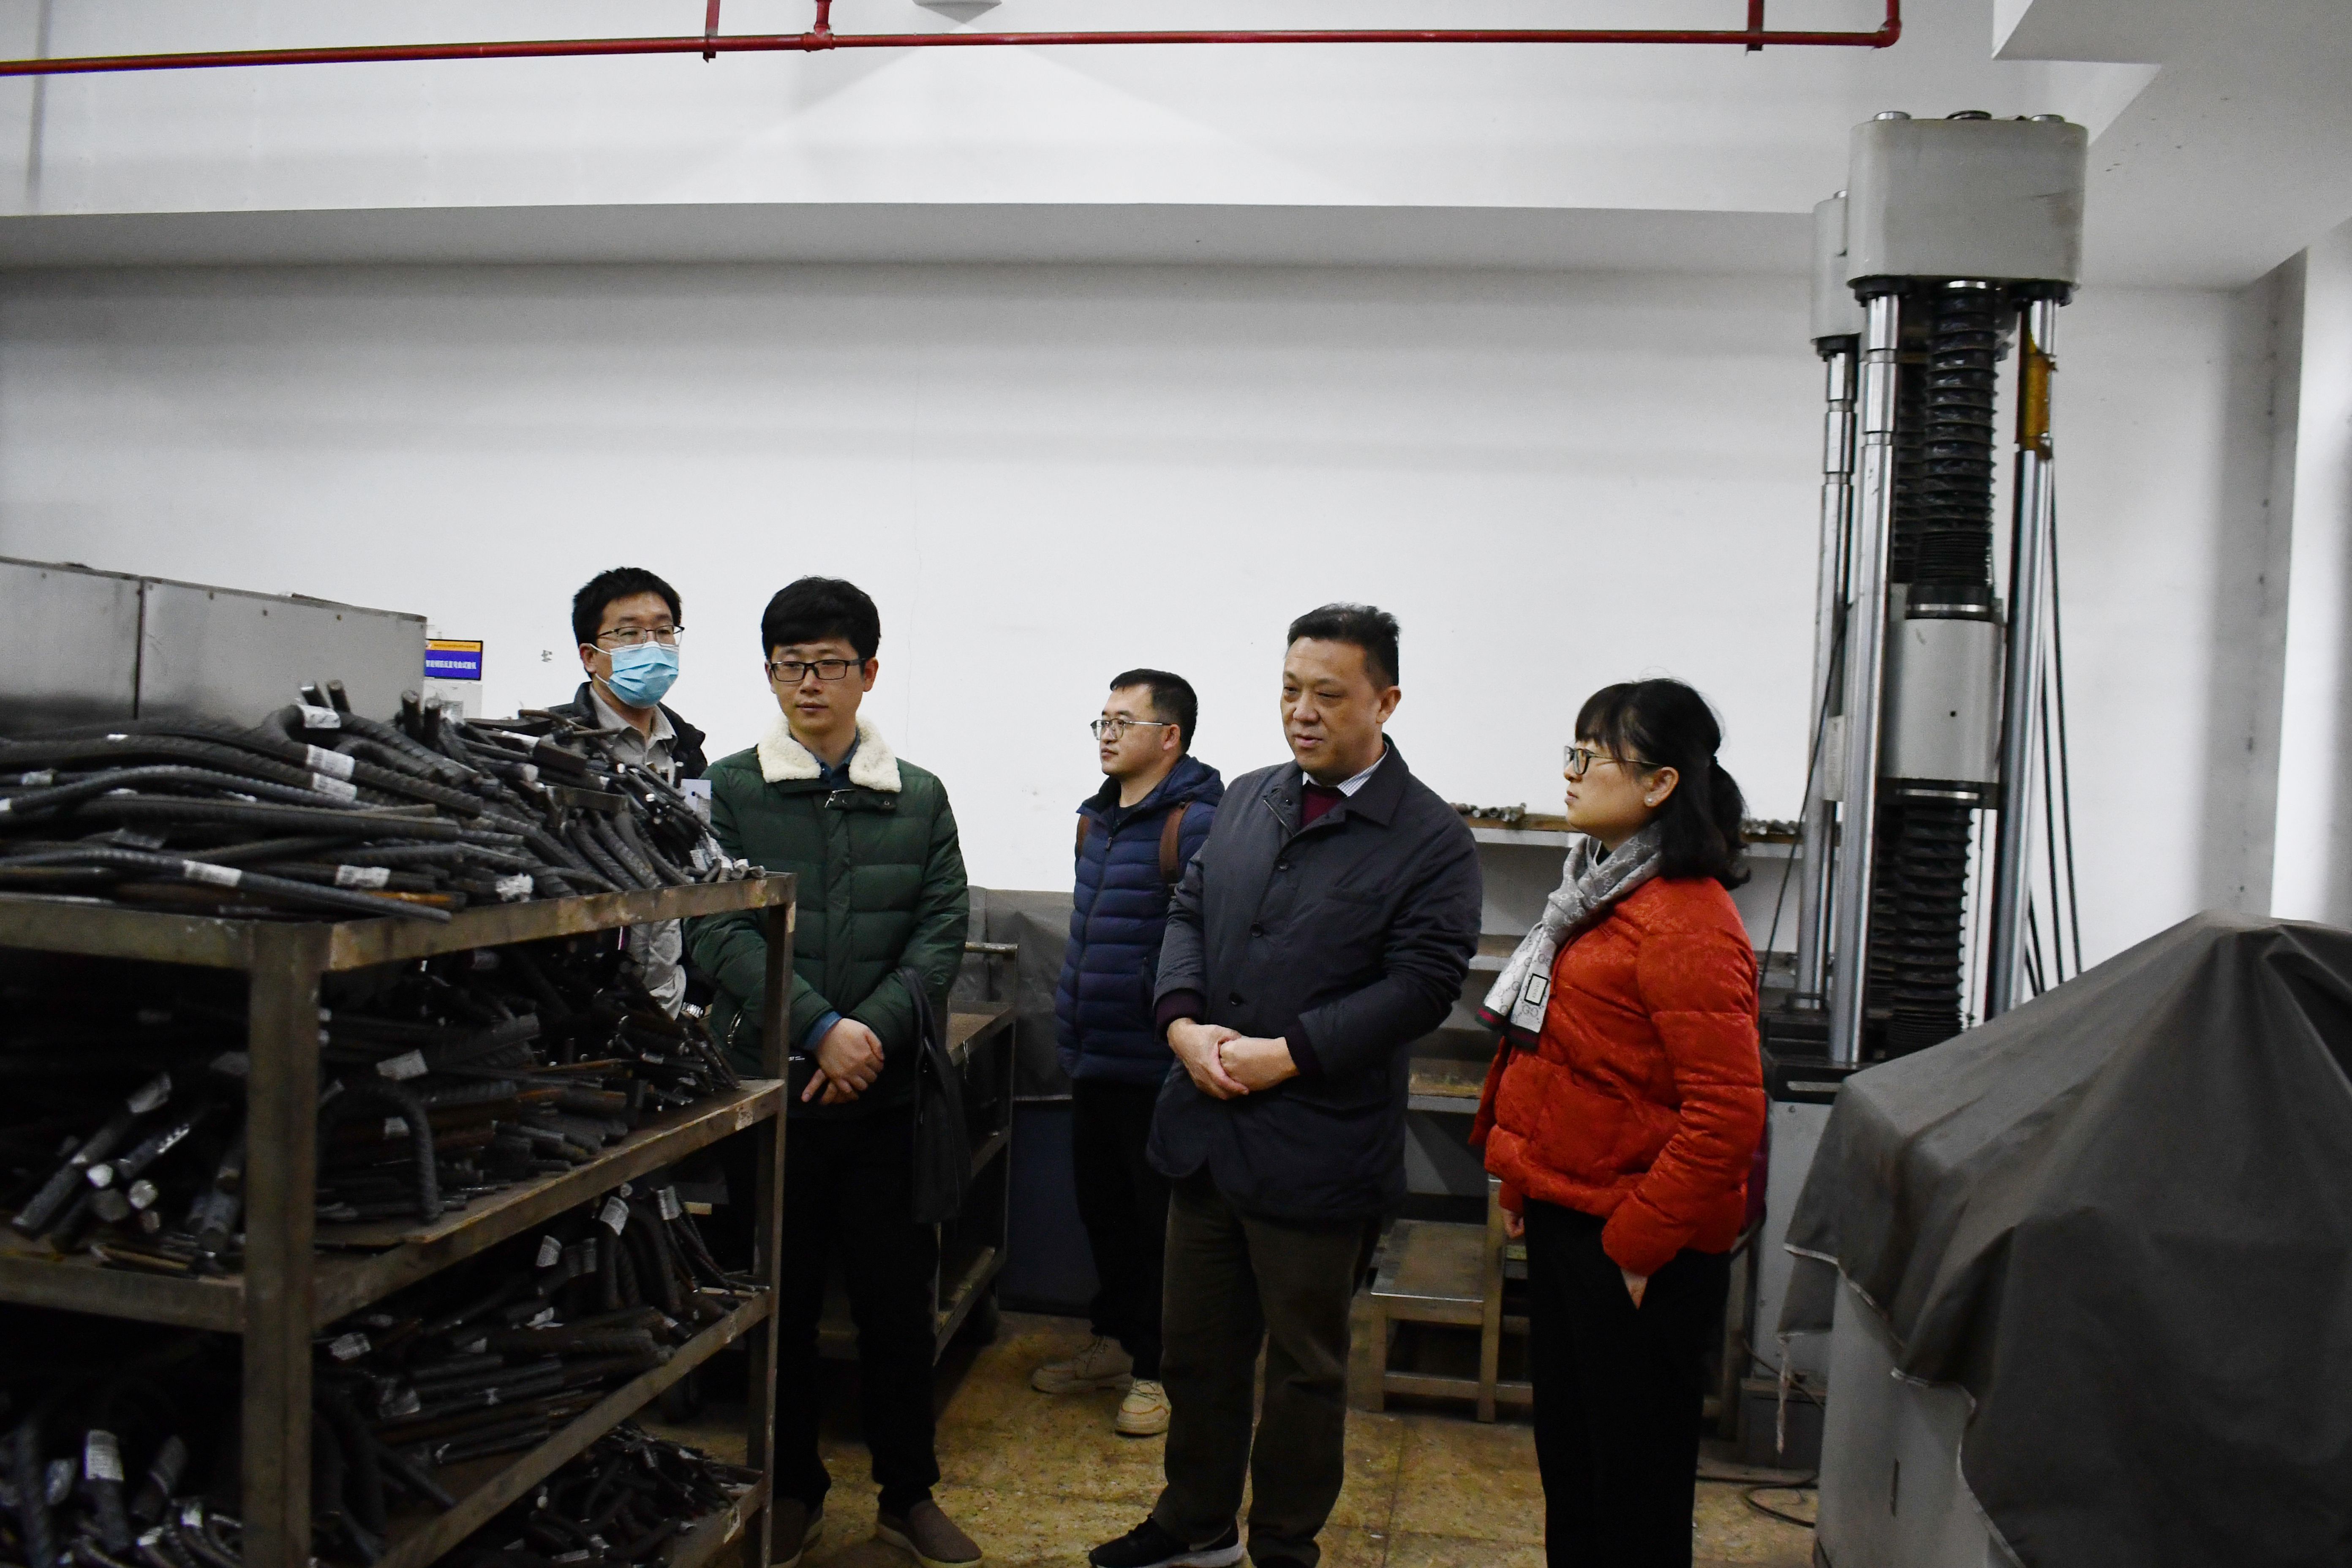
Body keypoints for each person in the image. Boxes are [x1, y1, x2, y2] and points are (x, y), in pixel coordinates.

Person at [1091, 605, 1481, 1568]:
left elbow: (1422, 984)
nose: (1301, 712)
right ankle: (1195, 1523)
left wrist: (1290, 1052)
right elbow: (1188, 912)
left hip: (1317, 1141)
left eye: (1328, 695)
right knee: (1195, 1350)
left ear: (1385, 701)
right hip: (1205, 1127)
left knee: (1304, 1369)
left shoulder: (1429, 837)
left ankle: (1282, 1541)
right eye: (1289, 690)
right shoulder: (1250, 798)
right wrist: (1180, 1023)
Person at [685, 577, 980, 1568]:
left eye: (829, 664)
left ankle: (907, 1494)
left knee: (899, 1307)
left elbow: (940, 932)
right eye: (790, 664)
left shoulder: (920, 796)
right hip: (771, 1093)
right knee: (782, 1305)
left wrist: (868, 1037)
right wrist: (817, 1027)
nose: (808, 682)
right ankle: (792, 1488)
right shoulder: (730, 788)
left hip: (886, 1097)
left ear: (869, 672)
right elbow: (717, 929)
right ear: (769, 672)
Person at [1470, 678, 1766, 1568]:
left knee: (1633, 1489)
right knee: (1575, 1465)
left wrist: (1636, 1246)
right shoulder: (1596, 894)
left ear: (1659, 783)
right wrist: (1521, 1178)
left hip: (1637, 1241)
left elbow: (1727, 1114)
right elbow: (1559, 1057)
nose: (1569, 772)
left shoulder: (1686, 920)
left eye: (1588, 756)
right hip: (1572, 1212)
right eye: (1572, 752)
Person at [1037, 670, 1224, 1438]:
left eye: (1124, 721)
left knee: (1159, 1229)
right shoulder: (1096, 820)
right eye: (1102, 721)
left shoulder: (1198, 824)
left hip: (1157, 1065)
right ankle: (1113, 1344)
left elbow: (1207, 944)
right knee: (1105, 1215)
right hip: (1093, 1055)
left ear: (1169, 737)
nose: (1107, 734)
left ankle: (1158, 1370)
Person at [546, 566, 708, 1014]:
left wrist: (697, 991)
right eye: (630, 633)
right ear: (590, 656)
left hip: (672, 999)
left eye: (663, 631)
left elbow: (701, 862)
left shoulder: (688, 752)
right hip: (580, 1003)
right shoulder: (555, 750)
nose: (651, 646)